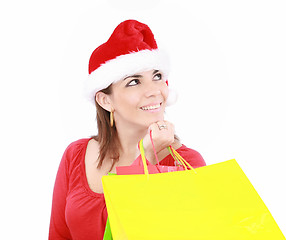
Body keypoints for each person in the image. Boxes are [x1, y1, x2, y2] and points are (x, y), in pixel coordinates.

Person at [49, 20, 206, 239]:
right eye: (134, 81)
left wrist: (147, 157)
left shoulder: (186, 164)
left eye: (157, 77)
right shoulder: (75, 155)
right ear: (105, 100)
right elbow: (59, 235)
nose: (154, 92)